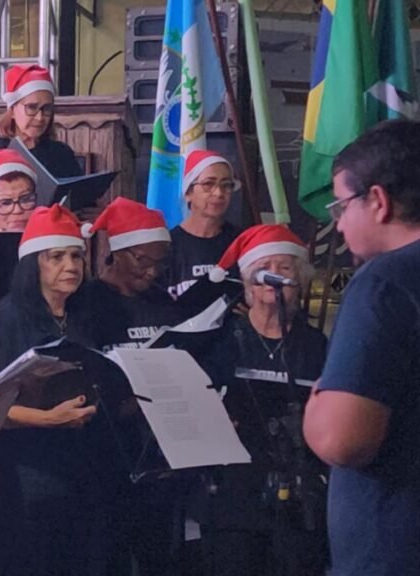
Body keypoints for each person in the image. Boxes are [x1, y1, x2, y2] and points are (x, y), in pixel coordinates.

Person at [304, 120, 420, 576]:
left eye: (341, 205)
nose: (339, 220)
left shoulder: (385, 283)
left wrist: (316, 408)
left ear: (378, 201)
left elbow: (343, 439)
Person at [0, 205, 104, 576]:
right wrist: (47, 419)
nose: (71, 265)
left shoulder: (81, 314)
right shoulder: (6, 317)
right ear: (33, 265)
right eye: (57, 257)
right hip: (20, 474)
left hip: (75, 470)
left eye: (77, 255)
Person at [198, 225, 328, 576]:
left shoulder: (317, 345)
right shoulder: (222, 340)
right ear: (248, 285)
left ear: (298, 280)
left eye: (284, 268)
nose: (274, 278)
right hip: (235, 492)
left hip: (300, 494)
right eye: (264, 268)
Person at [76, 197, 185, 576]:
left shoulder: (164, 304)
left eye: (161, 262)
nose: (153, 272)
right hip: (106, 459)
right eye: (144, 260)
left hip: (159, 456)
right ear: (117, 253)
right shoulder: (87, 303)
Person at [0, 64, 82, 229]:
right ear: (13, 109)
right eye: (31, 107)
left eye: (47, 109)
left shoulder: (61, 154)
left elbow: (83, 209)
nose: (40, 117)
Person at [165, 150, 242, 298]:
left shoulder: (242, 243)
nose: (219, 193)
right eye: (208, 184)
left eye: (226, 185)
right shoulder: (167, 247)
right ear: (188, 193)